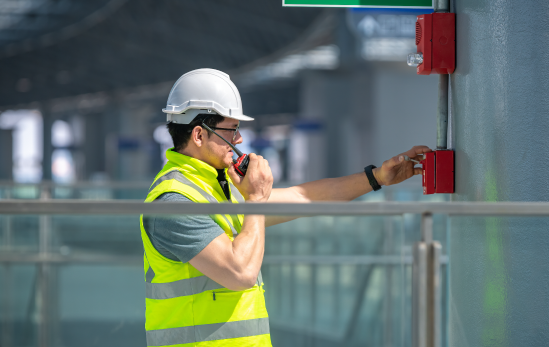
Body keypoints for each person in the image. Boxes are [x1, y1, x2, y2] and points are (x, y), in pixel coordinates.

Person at [140, 69, 433, 347]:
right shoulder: (175, 203)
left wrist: (377, 178)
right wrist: (255, 199)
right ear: (199, 135)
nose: (239, 140)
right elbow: (240, 272)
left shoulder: (217, 189)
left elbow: (304, 197)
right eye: (230, 131)